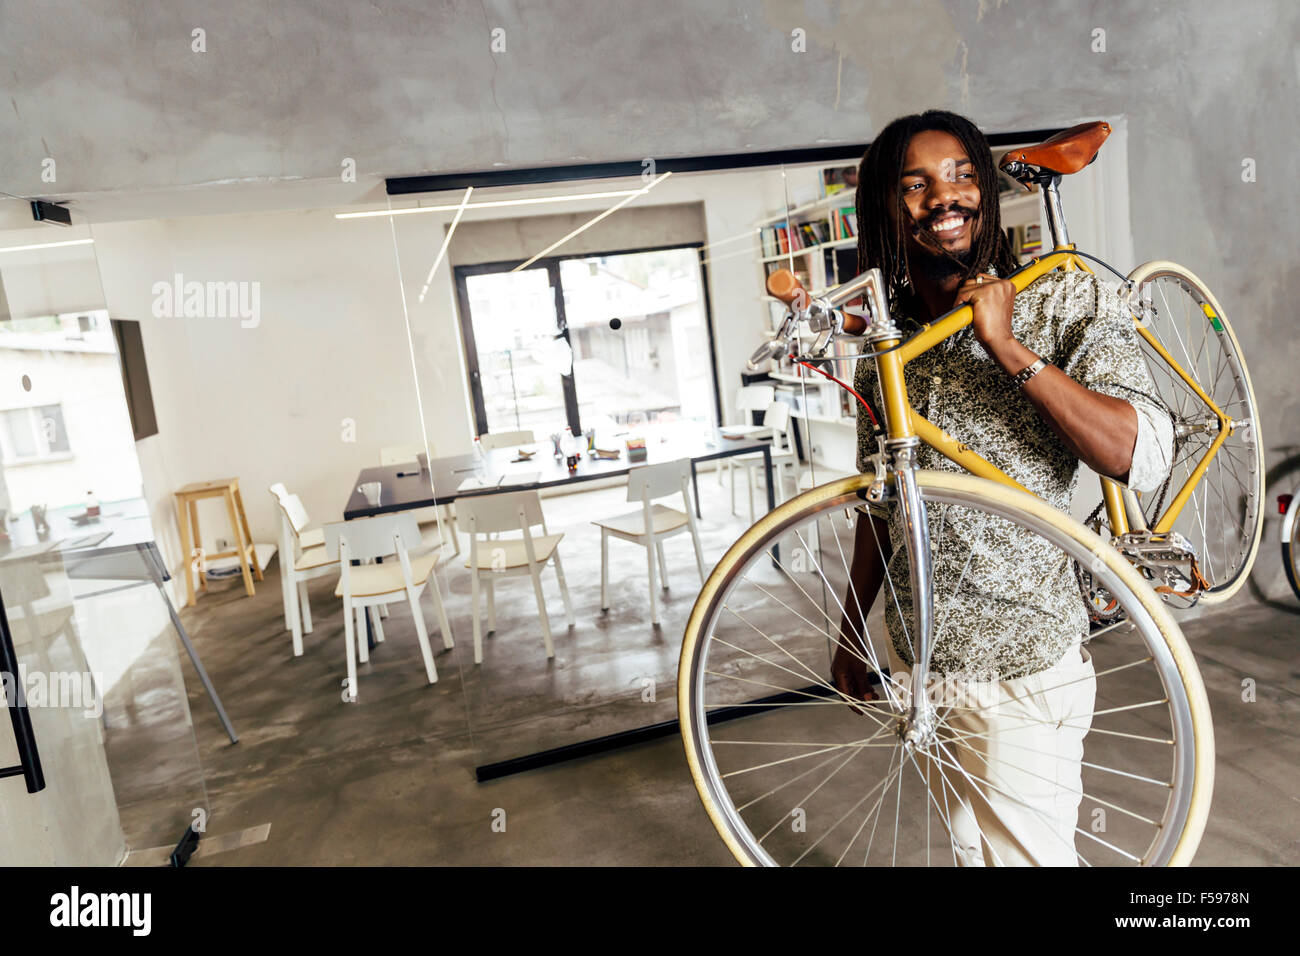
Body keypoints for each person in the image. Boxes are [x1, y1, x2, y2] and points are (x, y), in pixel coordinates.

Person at [829, 110, 1173, 866]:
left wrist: (1007, 345)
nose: (942, 197)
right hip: (928, 667)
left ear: (985, 191)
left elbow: (1135, 453)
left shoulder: (1060, 299)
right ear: (886, 209)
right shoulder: (883, 363)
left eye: (959, 175)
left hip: (1025, 657)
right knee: (975, 853)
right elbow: (878, 506)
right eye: (915, 184)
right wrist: (854, 624)